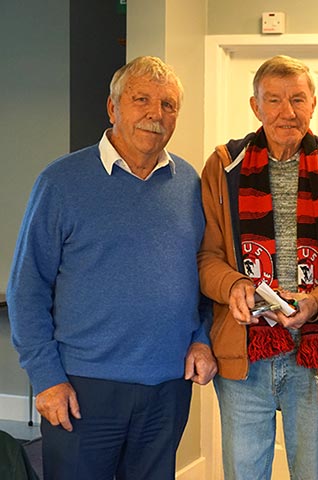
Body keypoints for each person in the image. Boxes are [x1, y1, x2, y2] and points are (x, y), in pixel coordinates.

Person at [6, 56, 217, 480]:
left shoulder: (190, 184)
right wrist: (46, 378)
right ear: (113, 107)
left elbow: (203, 271)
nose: (155, 114)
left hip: (168, 386)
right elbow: (27, 289)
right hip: (82, 387)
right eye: (141, 99)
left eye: (168, 105)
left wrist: (201, 338)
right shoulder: (61, 183)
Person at [197, 55, 318, 480]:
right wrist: (235, 285)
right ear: (255, 107)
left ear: (314, 103)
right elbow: (206, 258)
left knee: (314, 473)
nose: (286, 112)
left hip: (317, 351)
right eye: (273, 100)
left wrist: (315, 303)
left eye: (297, 99)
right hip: (245, 351)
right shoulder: (224, 166)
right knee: (244, 474)